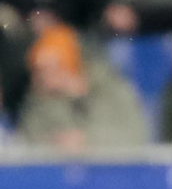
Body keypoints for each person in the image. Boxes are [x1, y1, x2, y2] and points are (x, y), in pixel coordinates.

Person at [17, 21, 148, 150]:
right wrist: (55, 143)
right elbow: (28, 140)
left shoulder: (113, 91)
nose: (40, 77)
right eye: (36, 70)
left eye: (47, 68)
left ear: (67, 66)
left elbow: (136, 135)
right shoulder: (38, 103)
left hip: (112, 168)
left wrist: (88, 140)